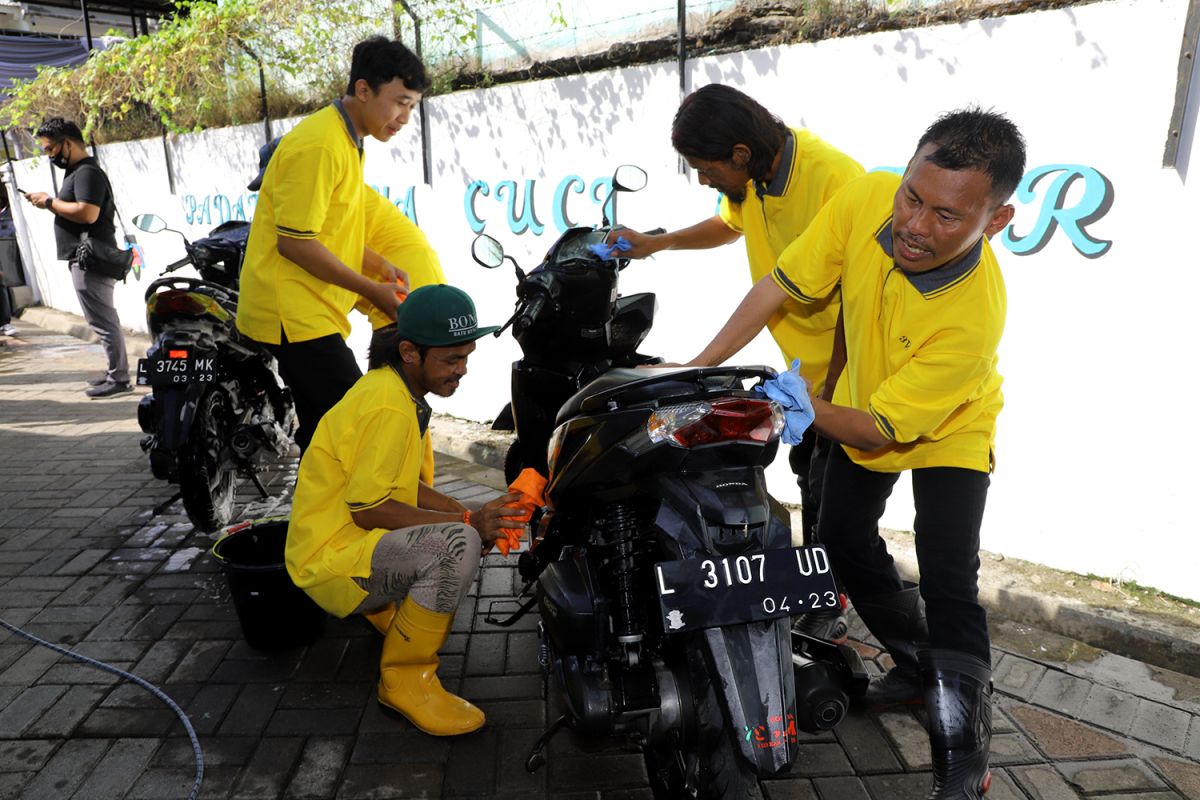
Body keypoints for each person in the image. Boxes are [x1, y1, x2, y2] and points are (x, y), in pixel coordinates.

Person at [674, 107, 1025, 800]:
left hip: (944, 426)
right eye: (913, 197)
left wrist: (792, 407)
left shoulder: (973, 317)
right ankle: (919, 661)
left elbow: (880, 431)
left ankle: (964, 757)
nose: (915, 226)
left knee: (951, 576)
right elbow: (780, 284)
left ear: (998, 220)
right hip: (860, 401)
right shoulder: (866, 195)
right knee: (837, 541)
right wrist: (695, 370)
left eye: (948, 216)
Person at [615, 84, 864, 639]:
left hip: (851, 376)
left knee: (840, 502)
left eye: (706, 169)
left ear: (741, 155)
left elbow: (859, 295)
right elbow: (729, 225)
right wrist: (658, 244)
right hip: (808, 375)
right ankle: (825, 595)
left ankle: (842, 610)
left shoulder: (833, 179)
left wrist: (831, 394)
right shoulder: (752, 183)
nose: (705, 180)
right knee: (812, 484)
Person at [285, 284, 524, 737]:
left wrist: (462, 509)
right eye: (451, 360)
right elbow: (369, 508)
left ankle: (387, 613)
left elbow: (396, 484)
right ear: (411, 352)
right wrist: (467, 522)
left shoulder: (392, 389)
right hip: (331, 562)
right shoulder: (388, 407)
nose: (462, 371)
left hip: (340, 543)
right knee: (457, 543)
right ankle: (405, 679)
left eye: (466, 357)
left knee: (465, 516)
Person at [236, 35, 430, 453]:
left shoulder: (348, 138)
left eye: (411, 106)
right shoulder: (321, 144)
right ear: (363, 90)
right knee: (350, 432)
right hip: (292, 314)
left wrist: (377, 265)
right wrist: (372, 289)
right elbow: (295, 245)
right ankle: (336, 514)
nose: (404, 117)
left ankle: (320, 512)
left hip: (311, 310)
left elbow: (324, 229)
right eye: (399, 102)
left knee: (328, 435)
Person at [23, 118, 131, 397]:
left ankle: (119, 378)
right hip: (85, 257)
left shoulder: (86, 173)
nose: (50, 156)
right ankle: (114, 373)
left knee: (103, 320)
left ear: (67, 144)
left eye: (50, 149)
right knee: (101, 319)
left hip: (90, 258)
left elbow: (88, 213)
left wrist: (49, 202)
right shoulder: (78, 172)